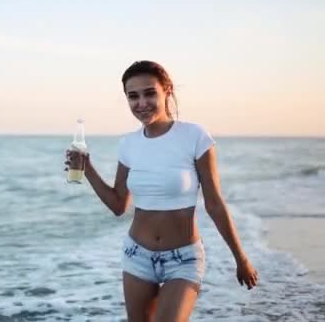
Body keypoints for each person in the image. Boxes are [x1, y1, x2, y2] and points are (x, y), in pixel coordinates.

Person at [65, 60, 258, 321]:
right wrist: (87, 169)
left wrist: (241, 258)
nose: (141, 103)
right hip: (137, 255)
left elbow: (214, 203)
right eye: (133, 96)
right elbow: (119, 205)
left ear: (166, 91)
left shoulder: (194, 136)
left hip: (184, 259)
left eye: (149, 93)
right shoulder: (129, 144)